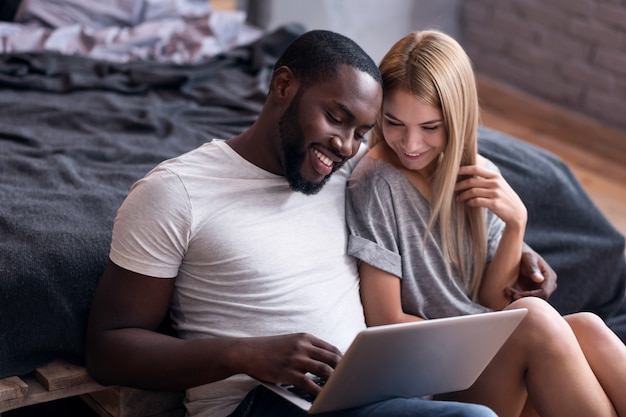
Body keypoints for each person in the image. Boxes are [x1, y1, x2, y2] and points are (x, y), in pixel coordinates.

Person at [85, 29, 545, 417]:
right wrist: (243, 354)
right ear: (283, 86)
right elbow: (109, 348)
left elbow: (425, 173)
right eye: (336, 118)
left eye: (362, 132)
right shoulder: (177, 192)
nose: (346, 145)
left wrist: (516, 248)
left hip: (360, 396)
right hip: (260, 404)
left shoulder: (344, 170)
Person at [345, 29, 626, 417]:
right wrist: (493, 335)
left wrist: (516, 223)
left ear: (457, 119)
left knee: (590, 328)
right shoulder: (374, 183)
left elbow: (494, 301)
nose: (410, 144)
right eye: (394, 123)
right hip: (437, 380)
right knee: (537, 319)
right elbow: (385, 320)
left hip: (491, 361)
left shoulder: (476, 176)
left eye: (430, 127)